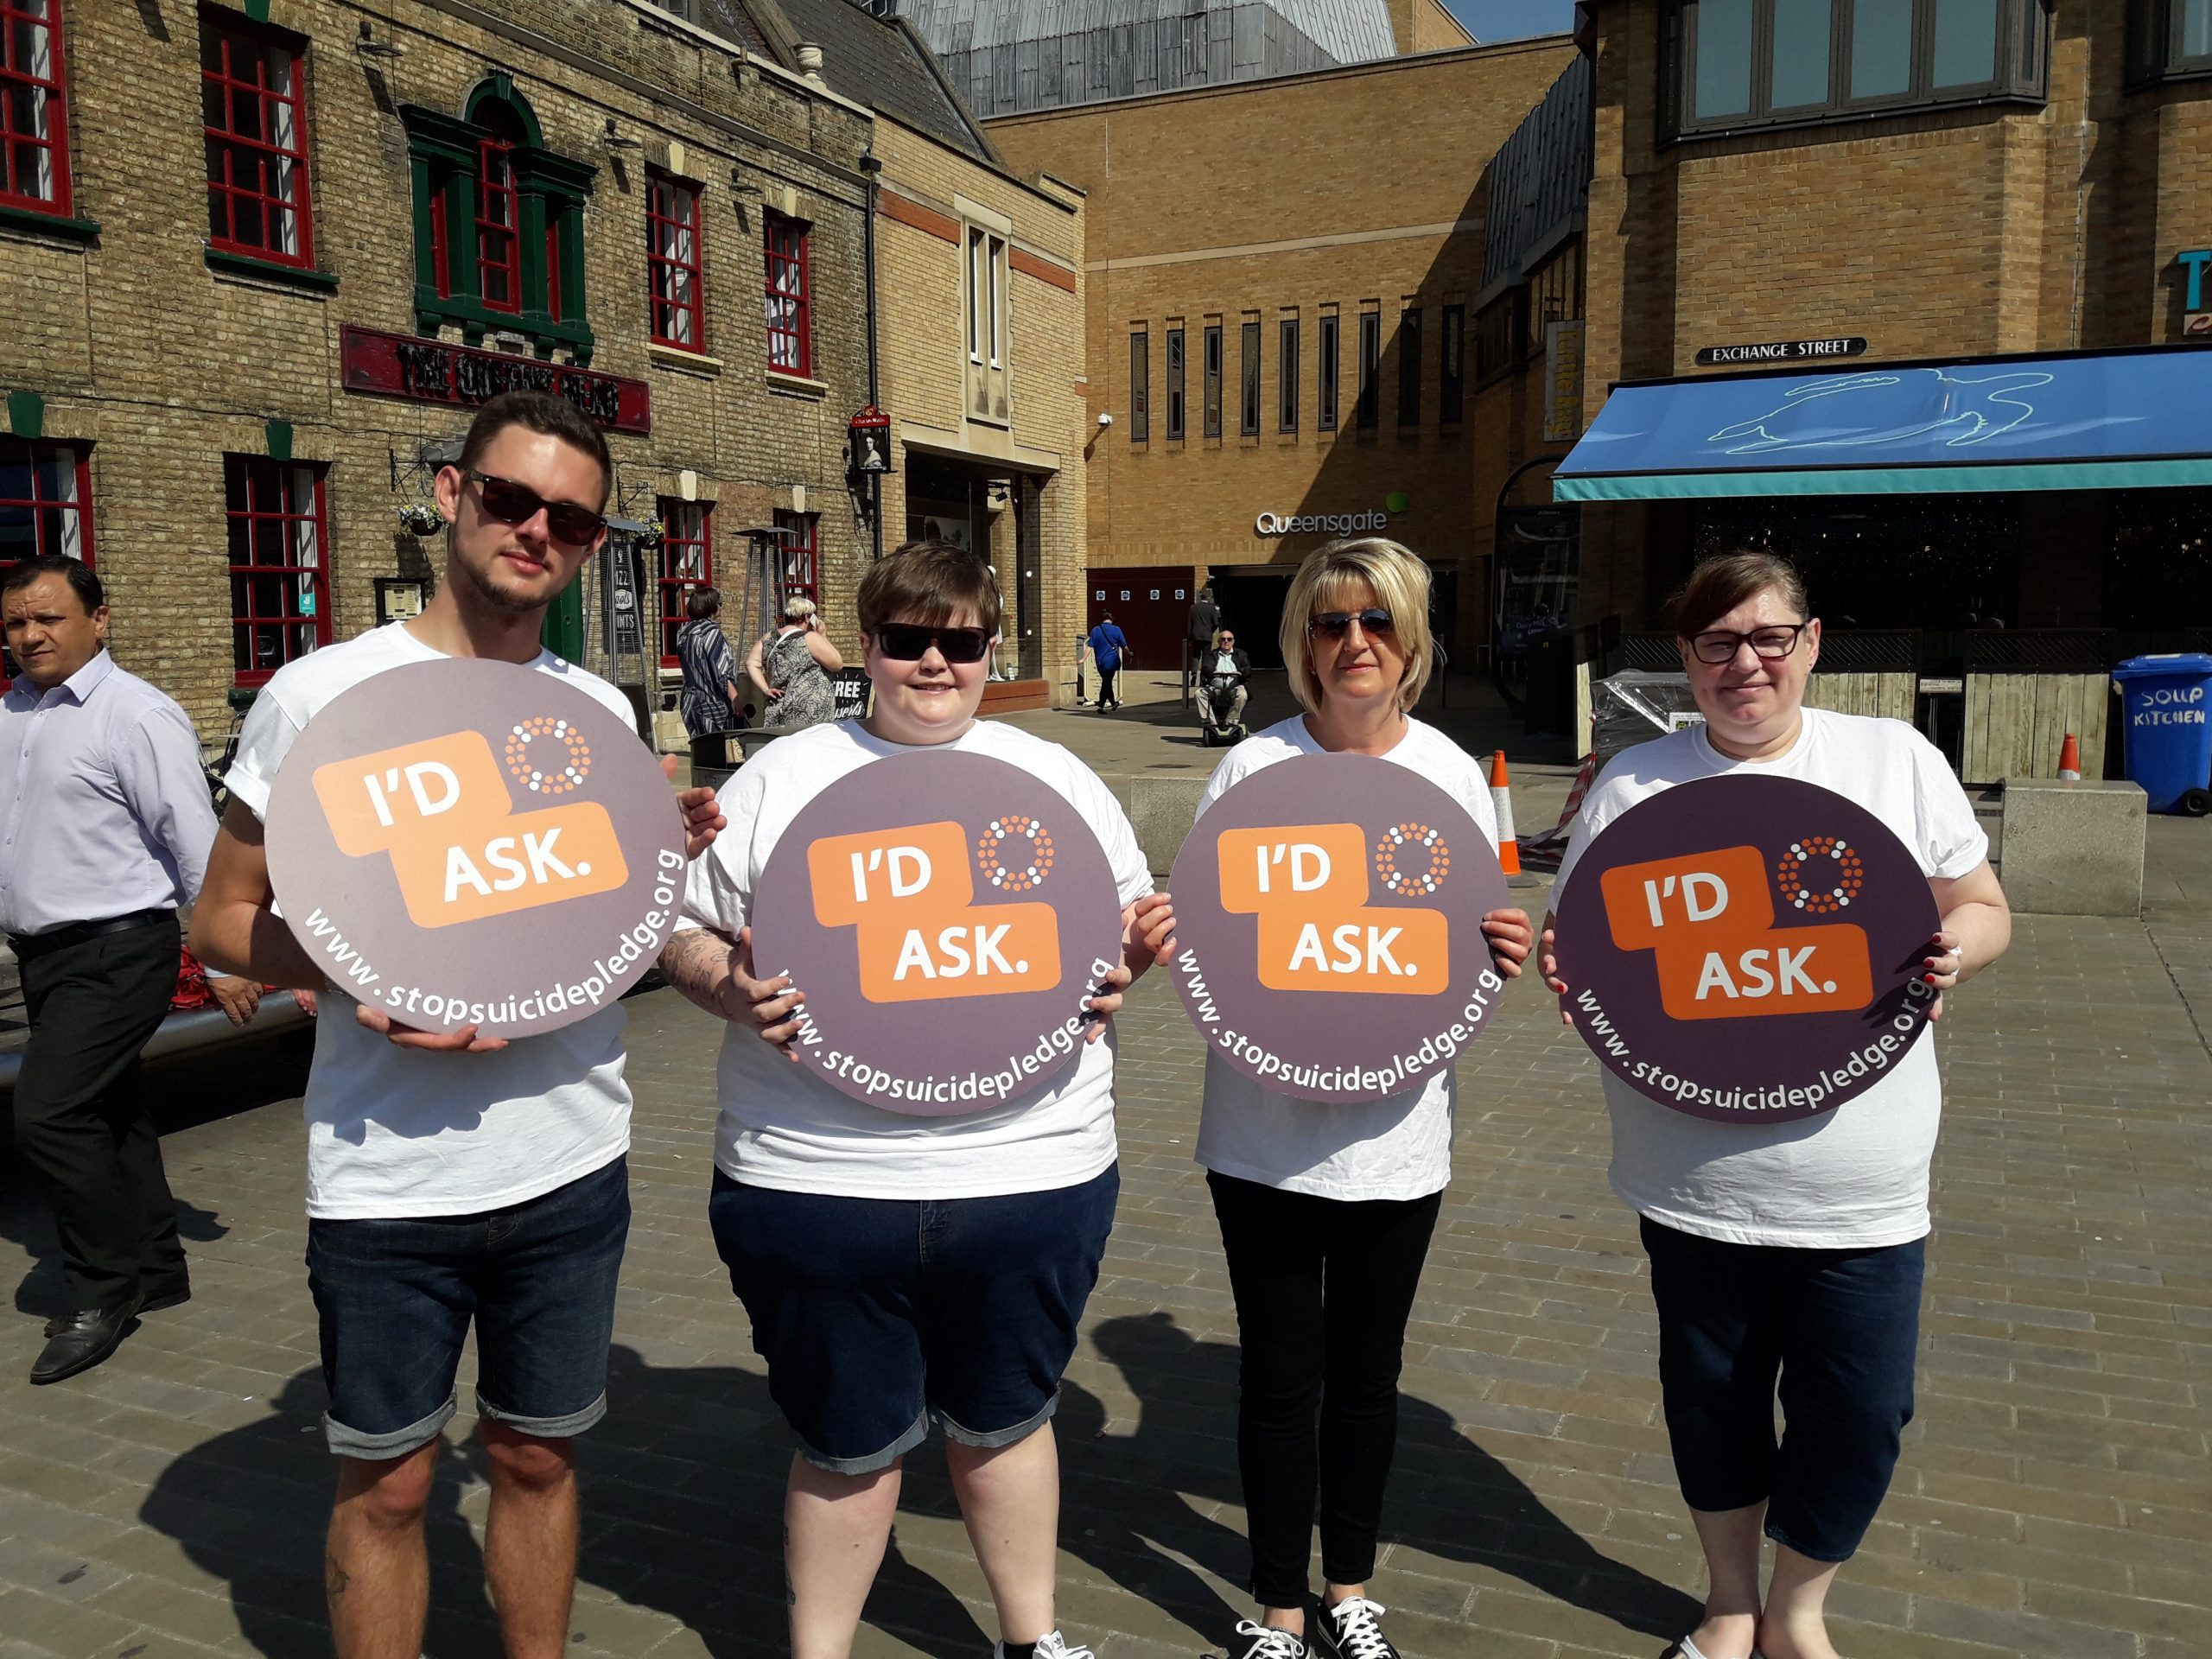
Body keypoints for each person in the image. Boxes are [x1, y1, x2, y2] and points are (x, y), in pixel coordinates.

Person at [191, 391, 725, 1659]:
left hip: (566, 1160)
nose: (536, 529)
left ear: (593, 546)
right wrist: (362, 968)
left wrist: (659, 869)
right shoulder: (322, 697)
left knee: (536, 1462)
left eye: (572, 520)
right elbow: (219, 920)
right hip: (386, 1176)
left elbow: (613, 945)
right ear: (451, 494)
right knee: (390, 1484)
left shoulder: (599, 714)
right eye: (510, 498)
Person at [659, 539, 1177, 1659]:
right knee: (846, 1446)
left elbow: (1132, 929)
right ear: (868, 649)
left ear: (991, 648)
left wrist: (1145, 954)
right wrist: (731, 989)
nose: (935, 663)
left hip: (1031, 1173)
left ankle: (1032, 1642)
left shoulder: (1058, 778)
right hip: (817, 1184)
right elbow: (680, 932)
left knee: (1009, 1423)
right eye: (908, 640)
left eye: (962, 642)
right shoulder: (780, 779)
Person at [1540, 551, 2011, 1659]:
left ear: (1808, 644)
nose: (1743, 664)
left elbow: (1982, 903)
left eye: (1765, 639)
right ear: (1686, 661)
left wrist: (1956, 953)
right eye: (1715, 644)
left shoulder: (1890, 758)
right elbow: (1585, 947)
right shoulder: (1634, 785)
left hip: (1865, 1183)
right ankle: (1729, 1604)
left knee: (1860, 1416)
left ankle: (1800, 1611)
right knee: (1711, 1403)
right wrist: (1579, 988)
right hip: (1692, 1179)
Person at [1187, 538, 1535, 1659]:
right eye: (1331, 623)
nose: (1354, 644)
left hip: (1396, 1142)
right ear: (1301, 641)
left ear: (1412, 641)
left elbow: (1459, 956)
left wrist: (1500, 948)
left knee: (1368, 1384)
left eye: (1376, 622)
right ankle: (1279, 1609)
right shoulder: (1251, 773)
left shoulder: (1448, 777)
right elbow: (1215, 945)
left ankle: (1351, 1591)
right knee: (1281, 1381)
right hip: (1262, 1142)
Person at [1, 555, 261, 1384]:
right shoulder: (11, 712)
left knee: (47, 1113)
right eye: (15, 623)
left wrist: (223, 957)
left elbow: (194, 844)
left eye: (49, 617)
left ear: (99, 619)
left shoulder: (136, 715)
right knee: (110, 1110)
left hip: (121, 947)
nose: (30, 635)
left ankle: (102, 1290)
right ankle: (157, 1266)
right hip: (45, 953)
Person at [748, 594, 844, 733]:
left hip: (777, 708)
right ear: (807, 617)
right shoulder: (810, 638)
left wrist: (765, 689)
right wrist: (822, 636)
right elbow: (837, 664)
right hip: (809, 713)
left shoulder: (768, 638)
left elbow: (751, 663)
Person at [676, 586, 744, 737]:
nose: (721, 606)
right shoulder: (711, 633)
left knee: (701, 751)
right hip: (712, 703)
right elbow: (722, 672)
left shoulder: (683, 633)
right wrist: (735, 699)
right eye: (719, 603)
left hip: (689, 702)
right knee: (728, 750)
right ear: (710, 606)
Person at [1198, 625, 1253, 741]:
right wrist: (1213, 672)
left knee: (1242, 694)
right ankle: (1211, 722)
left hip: (1234, 686)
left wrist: (1239, 672)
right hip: (1215, 687)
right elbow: (1206, 667)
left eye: (1229, 639)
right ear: (1218, 641)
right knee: (1199, 693)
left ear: (1233, 641)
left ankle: (1231, 721)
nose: (1226, 641)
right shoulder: (1212, 655)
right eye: (1223, 639)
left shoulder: (1241, 654)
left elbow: (1247, 668)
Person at [1085, 613, 1129, 712]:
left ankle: (1109, 704)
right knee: (1107, 683)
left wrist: (1083, 659)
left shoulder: (1095, 630)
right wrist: (1129, 653)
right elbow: (1124, 646)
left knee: (1106, 682)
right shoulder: (1117, 629)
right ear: (1112, 619)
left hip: (1100, 662)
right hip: (1111, 661)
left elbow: (1089, 646)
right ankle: (1104, 705)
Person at [1184, 585, 1221, 698]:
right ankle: (1203, 679)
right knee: (1206, 657)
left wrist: (1189, 636)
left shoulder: (1193, 607)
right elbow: (1216, 623)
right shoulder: (1211, 608)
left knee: (1195, 655)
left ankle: (1194, 673)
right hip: (1207, 636)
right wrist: (1210, 631)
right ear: (1208, 598)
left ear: (1201, 597)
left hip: (1196, 635)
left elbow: (1189, 623)